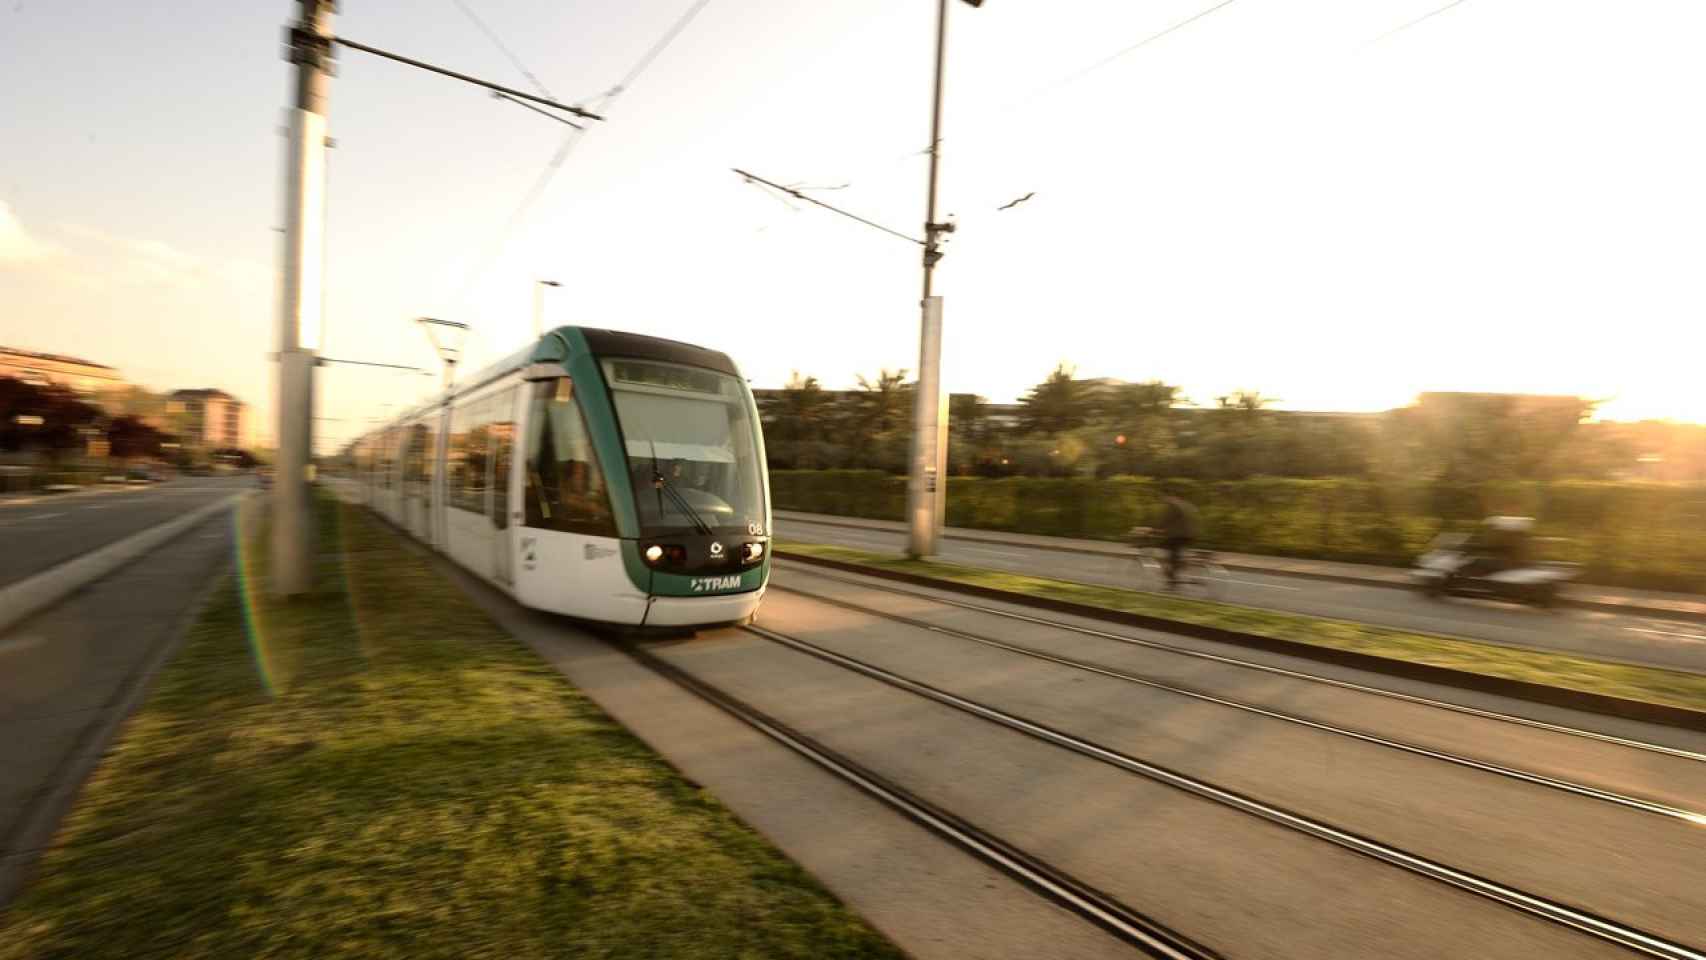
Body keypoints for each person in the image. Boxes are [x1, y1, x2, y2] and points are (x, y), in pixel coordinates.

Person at [1156, 493, 1199, 587]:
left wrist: (1156, 529)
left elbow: (1165, 520)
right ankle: (1181, 565)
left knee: (1169, 553)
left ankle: (1172, 579)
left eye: (1165, 497)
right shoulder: (1187, 505)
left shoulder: (1173, 506)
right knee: (1176, 554)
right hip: (1190, 535)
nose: (1164, 500)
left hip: (1177, 535)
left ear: (1171, 496)